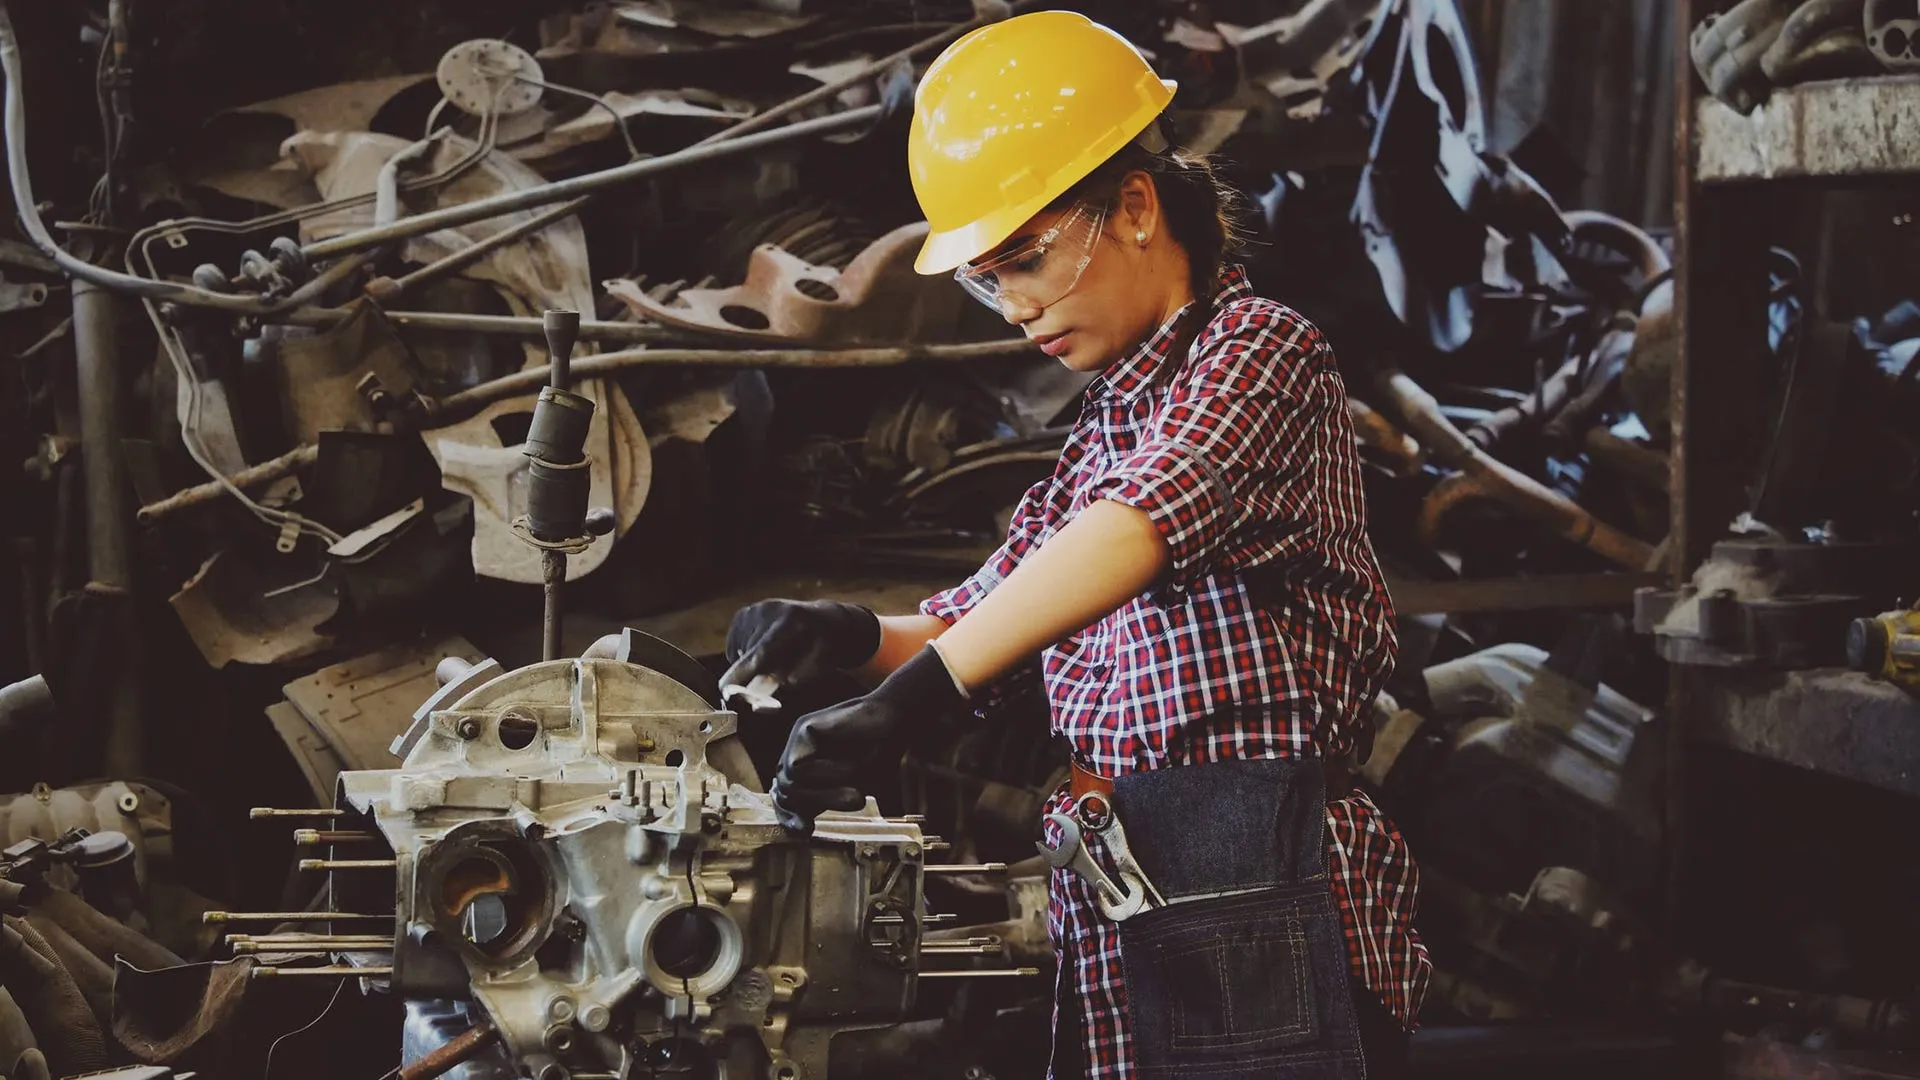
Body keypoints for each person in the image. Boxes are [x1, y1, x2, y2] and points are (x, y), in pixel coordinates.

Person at [720, 11, 1430, 1078]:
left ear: (1136, 206)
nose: (1014, 307)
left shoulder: (1260, 354)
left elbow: (1142, 524)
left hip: (1255, 883)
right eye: (988, 279)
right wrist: (846, 640)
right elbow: (981, 622)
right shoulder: (1105, 426)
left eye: (1028, 257)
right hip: (1131, 886)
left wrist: (917, 698)